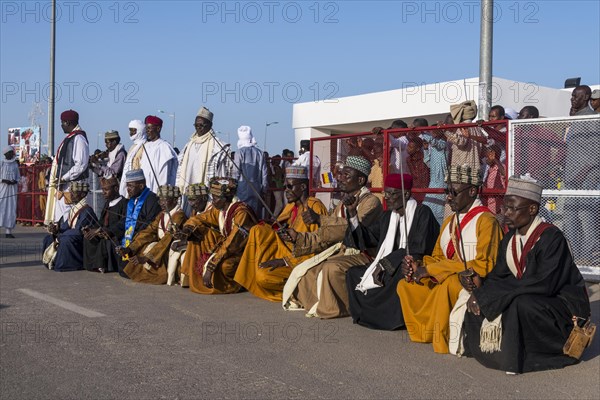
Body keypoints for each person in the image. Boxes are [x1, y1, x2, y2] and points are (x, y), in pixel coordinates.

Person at [451, 176, 591, 373]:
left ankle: (527, 355)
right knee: (476, 299)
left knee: (518, 304)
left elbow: (543, 284)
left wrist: (492, 297)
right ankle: (490, 351)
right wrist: (479, 286)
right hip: (530, 295)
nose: (505, 213)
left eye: (512, 208)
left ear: (532, 209)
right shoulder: (510, 238)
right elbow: (499, 276)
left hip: (562, 309)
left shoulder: (552, 238)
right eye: (504, 207)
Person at [397, 165, 503, 353]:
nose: (448, 197)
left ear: (472, 191)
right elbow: (438, 257)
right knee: (406, 285)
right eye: (446, 191)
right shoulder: (449, 221)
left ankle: (442, 338)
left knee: (447, 286)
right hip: (445, 275)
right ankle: (426, 332)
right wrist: (419, 265)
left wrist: (433, 270)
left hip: (473, 280)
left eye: (453, 191)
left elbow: (484, 264)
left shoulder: (487, 221)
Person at [282, 156, 383, 318]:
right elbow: (327, 234)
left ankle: (335, 308)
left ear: (361, 180)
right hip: (341, 250)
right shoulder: (342, 204)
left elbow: (351, 230)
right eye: (341, 175)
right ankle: (316, 304)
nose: (340, 178)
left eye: (346, 176)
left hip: (363, 253)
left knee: (330, 268)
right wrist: (299, 238)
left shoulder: (371, 202)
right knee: (306, 271)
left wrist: (320, 219)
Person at [346, 174, 440, 330]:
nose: (386, 198)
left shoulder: (423, 213)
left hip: (411, 264)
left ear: (406, 194)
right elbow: (368, 238)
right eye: (385, 193)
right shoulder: (387, 216)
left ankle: (390, 320)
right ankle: (366, 315)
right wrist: (352, 214)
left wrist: (385, 264)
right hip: (386, 264)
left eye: (391, 194)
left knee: (397, 277)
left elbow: (419, 249)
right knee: (353, 274)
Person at [234, 166, 328, 302]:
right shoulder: (291, 206)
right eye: (285, 187)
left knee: (263, 277)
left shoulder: (314, 206)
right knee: (257, 231)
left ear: (302, 187)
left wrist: (284, 261)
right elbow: (278, 229)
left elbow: (319, 245)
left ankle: (303, 292)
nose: (286, 191)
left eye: (290, 186)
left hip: (304, 262)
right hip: (287, 252)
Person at [178, 177, 258, 294]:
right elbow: (200, 218)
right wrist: (187, 228)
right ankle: (194, 277)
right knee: (198, 233)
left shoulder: (241, 213)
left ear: (225, 199)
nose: (213, 201)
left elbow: (232, 244)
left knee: (226, 267)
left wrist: (212, 265)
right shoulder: (219, 210)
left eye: (215, 198)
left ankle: (238, 284)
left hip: (243, 252)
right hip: (228, 249)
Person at [119, 185, 187, 285]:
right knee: (142, 245)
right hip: (159, 247)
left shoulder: (179, 215)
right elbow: (149, 231)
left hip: (168, 248)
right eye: (160, 200)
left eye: (165, 200)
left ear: (175, 200)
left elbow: (167, 239)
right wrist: (130, 248)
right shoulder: (162, 214)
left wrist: (147, 258)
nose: (162, 203)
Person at [176, 107, 232, 215]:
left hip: (208, 196)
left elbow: (224, 175)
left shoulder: (219, 147)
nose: (198, 128)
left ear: (210, 125)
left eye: (202, 125)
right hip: (189, 194)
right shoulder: (188, 145)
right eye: (196, 125)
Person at [45, 109, 89, 223]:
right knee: (60, 217)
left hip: (72, 187)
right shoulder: (70, 138)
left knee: (68, 218)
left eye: (62, 123)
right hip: (64, 186)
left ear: (68, 122)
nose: (61, 126)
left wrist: (64, 178)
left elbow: (81, 165)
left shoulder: (79, 139)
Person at [42, 181, 97, 271]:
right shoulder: (75, 208)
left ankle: (67, 264)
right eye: (70, 192)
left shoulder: (87, 211)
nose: (71, 195)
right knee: (48, 238)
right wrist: (56, 229)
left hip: (81, 240)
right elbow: (66, 225)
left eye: (74, 193)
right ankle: (52, 261)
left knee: (65, 239)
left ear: (83, 194)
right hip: (72, 236)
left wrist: (61, 235)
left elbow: (79, 231)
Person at [118, 169, 162, 278]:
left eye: (131, 186)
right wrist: (108, 230)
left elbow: (149, 223)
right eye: (127, 186)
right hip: (131, 236)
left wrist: (134, 235)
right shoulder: (131, 201)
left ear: (141, 186)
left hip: (144, 237)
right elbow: (125, 220)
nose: (128, 190)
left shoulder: (152, 199)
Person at [83, 176, 128, 273]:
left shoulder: (124, 203)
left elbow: (123, 223)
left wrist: (107, 231)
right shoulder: (107, 203)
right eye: (103, 190)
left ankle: (103, 265)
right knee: (89, 237)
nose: (103, 192)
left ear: (116, 189)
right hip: (103, 232)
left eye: (106, 190)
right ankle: (92, 265)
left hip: (114, 234)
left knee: (106, 241)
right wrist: (92, 229)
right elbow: (101, 222)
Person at [174, 183, 210, 287]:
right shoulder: (195, 210)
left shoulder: (212, 209)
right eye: (189, 200)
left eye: (194, 200)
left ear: (204, 198)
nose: (191, 204)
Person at [232, 126, 269, 218]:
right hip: (257, 188)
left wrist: (232, 187)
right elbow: (264, 173)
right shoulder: (259, 153)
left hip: (242, 188)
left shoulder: (239, 153)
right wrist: (264, 189)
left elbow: (235, 173)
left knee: (243, 212)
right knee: (256, 214)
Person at [139, 115, 178, 193]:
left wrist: (161, 193)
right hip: (145, 191)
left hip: (159, 192)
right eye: (146, 128)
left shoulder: (164, 147)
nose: (147, 131)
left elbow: (165, 174)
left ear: (158, 129)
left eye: (149, 128)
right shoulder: (146, 146)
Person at [445, 101, 487, 170]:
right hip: (475, 167)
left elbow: (461, 141)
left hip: (461, 169)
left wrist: (445, 131)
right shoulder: (477, 129)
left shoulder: (462, 127)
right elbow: (484, 145)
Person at [119, 120, 147, 198]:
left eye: (133, 131)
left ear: (140, 130)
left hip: (139, 184)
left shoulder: (145, 146)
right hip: (130, 184)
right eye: (130, 131)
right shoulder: (132, 147)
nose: (131, 133)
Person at [481, 144, 506, 214]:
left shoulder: (500, 167)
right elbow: (485, 185)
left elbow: (504, 173)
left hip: (498, 204)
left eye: (488, 156)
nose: (486, 159)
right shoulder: (490, 169)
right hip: (489, 204)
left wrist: (495, 159)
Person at [1, 146, 20, 238]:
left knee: (11, 209)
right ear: (6, 154)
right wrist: (4, 180)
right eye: (10, 153)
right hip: (2, 189)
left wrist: (15, 181)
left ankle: (8, 232)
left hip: (12, 189)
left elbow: (18, 177)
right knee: (1, 207)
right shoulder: (1, 163)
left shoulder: (15, 164)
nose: (12, 154)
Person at [406, 137, 430, 202]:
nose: (407, 149)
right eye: (408, 146)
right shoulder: (408, 159)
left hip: (426, 187)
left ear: (417, 149)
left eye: (410, 147)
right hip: (414, 188)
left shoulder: (424, 158)